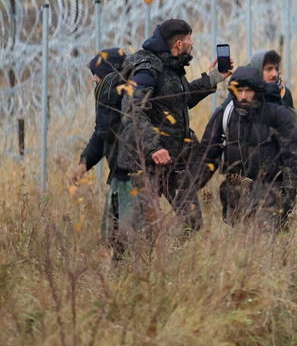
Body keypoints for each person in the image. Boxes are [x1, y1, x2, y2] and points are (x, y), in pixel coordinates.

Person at [118, 20, 232, 232]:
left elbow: (179, 99)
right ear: (179, 44)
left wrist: (214, 78)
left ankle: (174, 258)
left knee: (191, 221)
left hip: (173, 160)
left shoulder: (171, 66)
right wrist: (153, 146)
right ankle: (137, 263)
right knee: (145, 229)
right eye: (190, 38)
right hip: (146, 161)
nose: (192, 43)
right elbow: (131, 109)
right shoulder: (147, 69)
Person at [194, 67, 297, 229]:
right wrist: (189, 187)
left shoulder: (278, 115)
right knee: (240, 247)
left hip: (270, 192)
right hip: (235, 194)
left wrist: (288, 198)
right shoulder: (224, 115)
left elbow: (294, 157)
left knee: (262, 240)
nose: (243, 96)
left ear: (258, 91)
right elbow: (207, 155)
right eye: (239, 90)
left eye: (248, 91)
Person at [69, 48, 130, 247]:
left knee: (124, 236)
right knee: (114, 236)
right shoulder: (114, 95)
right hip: (121, 173)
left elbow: (103, 133)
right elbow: (102, 134)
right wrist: (84, 163)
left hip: (128, 176)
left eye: (97, 74)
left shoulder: (116, 95)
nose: (94, 79)